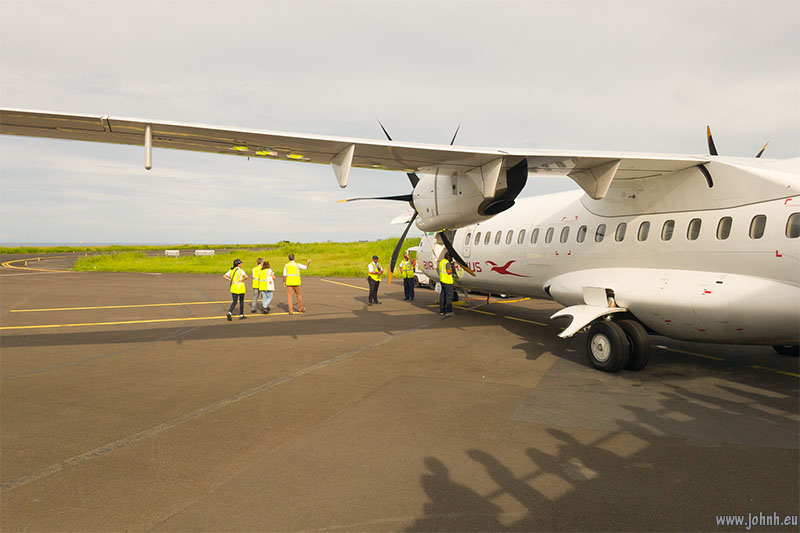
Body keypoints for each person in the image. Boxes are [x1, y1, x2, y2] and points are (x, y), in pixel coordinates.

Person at [438, 252, 455, 317]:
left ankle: (442, 310)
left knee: (443, 296)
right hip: (448, 282)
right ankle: (449, 311)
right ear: (448, 257)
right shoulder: (447, 263)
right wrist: (453, 270)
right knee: (449, 297)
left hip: (442, 281)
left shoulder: (442, 262)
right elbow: (448, 272)